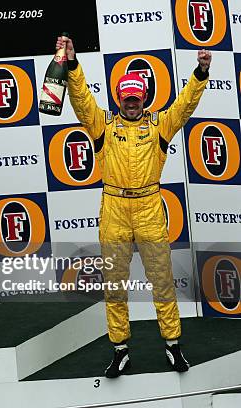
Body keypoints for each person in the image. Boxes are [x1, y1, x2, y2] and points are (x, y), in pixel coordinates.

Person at [57, 35, 211, 378]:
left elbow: (184, 105)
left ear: (143, 97)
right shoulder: (104, 126)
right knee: (114, 283)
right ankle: (120, 349)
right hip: (113, 207)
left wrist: (199, 74)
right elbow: (81, 100)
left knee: (162, 280)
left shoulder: (159, 125)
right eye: (126, 98)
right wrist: (73, 65)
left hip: (149, 208)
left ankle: (173, 346)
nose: (130, 103)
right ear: (119, 98)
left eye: (135, 98)